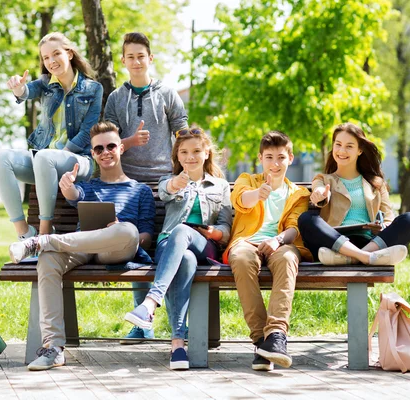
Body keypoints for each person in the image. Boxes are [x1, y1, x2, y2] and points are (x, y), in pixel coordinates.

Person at [8, 121, 156, 371]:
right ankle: (53, 348)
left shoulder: (140, 191)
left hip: (118, 249)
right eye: (99, 149)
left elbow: (145, 237)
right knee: (48, 259)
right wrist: (68, 189)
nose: (105, 152)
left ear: (121, 148)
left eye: (111, 146)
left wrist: (118, 230)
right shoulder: (88, 188)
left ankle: (42, 242)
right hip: (82, 248)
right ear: (93, 155)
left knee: (127, 229)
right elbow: (75, 196)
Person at [104, 32, 188, 344]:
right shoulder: (115, 99)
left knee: (168, 248)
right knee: (136, 248)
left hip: (166, 181)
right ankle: (142, 323)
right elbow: (109, 145)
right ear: (123, 61)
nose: (136, 61)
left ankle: (179, 323)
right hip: (130, 185)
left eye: (141, 55)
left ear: (150, 58)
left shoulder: (167, 93)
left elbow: (183, 134)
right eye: (130, 57)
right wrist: (128, 142)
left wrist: (185, 173)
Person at [124, 127, 232, 370]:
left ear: (206, 153)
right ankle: (177, 346)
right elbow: (166, 191)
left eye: (196, 151)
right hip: (169, 246)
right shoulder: (169, 180)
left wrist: (217, 232)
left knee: (182, 230)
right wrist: (177, 183)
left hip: (206, 246)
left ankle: (150, 303)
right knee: (185, 259)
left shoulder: (221, 186)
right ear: (177, 156)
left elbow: (225, 227)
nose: (190, 157)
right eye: (183, 152)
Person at [0, 32, 103, 239]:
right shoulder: (45, 83)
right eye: (45, 58)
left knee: (45, 156)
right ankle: (25, 233)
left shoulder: (93, 88)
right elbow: (26, 92)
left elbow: (88, 132)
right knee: (1, 158)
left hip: (80, 161)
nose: (51, 61)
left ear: (69, 53)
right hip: (44, 163)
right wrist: (18, 88)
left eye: (56, 54)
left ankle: (44, 234)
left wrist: (58, 155)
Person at [224, 131, 313, 371]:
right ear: (260, 158)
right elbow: (240, 199)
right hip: (247, 241)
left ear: (290, 158)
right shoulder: (247, 180)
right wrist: (257, 195)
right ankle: (262, 341)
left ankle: (276, 335)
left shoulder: (299, 194)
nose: (275, 164)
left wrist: (278, 240)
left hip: (281, 244)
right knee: (241, 258)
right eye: (269, 157)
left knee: (287, 258)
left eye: (281, 157)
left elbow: (294, 227)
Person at [297, 122, 410, 266]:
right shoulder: (323, 179)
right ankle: (366, 257)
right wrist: (320, 195)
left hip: (369, 242)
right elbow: (318, 191)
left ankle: (355, 257)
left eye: (349, 146)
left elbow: (388, 218)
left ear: (360, 150)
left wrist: (382, 226)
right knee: (306, 219)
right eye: (338, 144)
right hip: (333, 243)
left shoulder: (376, 184)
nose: (342, 151)